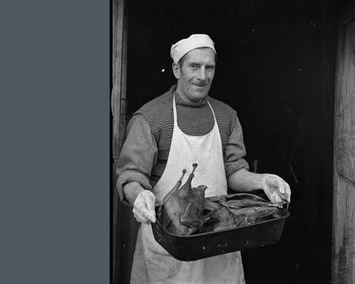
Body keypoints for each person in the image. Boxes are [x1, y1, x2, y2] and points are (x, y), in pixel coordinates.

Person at [116, 33, 291, 284]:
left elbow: (233, 170)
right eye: (194, 66)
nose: (202, 75)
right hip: (169, 247)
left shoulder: (226, 116)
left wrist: (263, 181)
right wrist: (138, 195)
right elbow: (130, 175)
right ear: (177, 69)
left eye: (209, 67)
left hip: (218, 241)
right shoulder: (151, 118)